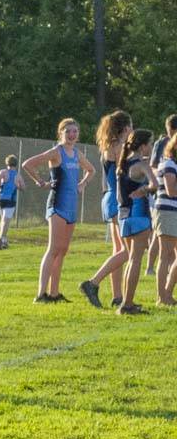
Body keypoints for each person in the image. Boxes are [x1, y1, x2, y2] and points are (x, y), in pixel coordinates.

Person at [80, 130, 157, 313]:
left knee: (130, 260)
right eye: (151, 143)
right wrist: (145, 189)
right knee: (136, 261)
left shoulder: (121, 165)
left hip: (124, 217)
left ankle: (124, 300)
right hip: (139, 216)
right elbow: (155, 185)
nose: (152, 147)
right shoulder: (141, 164)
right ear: (143, 145)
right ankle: (127, 305)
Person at [21, 118, 95, 303]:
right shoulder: (56, 152)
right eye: (68, 131)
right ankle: (41, 294)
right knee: (53, 249)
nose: (72, 135)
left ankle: (54, 293)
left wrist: (82, 184)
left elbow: (91, 170)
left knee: (62, 250)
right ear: (61, 133)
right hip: (57, 206)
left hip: (71, 207)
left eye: (75, 132)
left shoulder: (77, 154)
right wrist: (40, 182)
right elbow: (27, 164)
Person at [87, 111, 133, 307]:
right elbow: (127, 173)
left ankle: (117, 296)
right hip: (117, 199)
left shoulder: (108, 145)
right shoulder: (120, 146)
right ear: (125, 128)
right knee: (128, 251)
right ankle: (92, 283)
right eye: (131, 125)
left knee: (118, 250)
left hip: (108, 198)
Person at [145, 114, 176, 276]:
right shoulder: (162, 143)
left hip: (171, 199)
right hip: (162, 197)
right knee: (160, 236)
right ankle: (150, 267)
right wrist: (165, 175)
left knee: (166, 239)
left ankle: (170, 273)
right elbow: (153, 167)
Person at [153, 134, 177, 305]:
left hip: (173, 212)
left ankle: (167, 293)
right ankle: (162, 297)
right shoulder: (168, 163)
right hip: (167, 212)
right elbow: (171, 190)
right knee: (165, 255)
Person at [0, 154, 23, 249]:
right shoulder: (17, 175)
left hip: (0, 198)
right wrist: (18, 187)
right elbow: (23, 187)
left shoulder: (3, 172)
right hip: (10, 200)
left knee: (3, 220)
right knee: (6, 221)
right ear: (16, 164)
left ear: (7, 163)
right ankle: (1, 239)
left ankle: (4, 241)